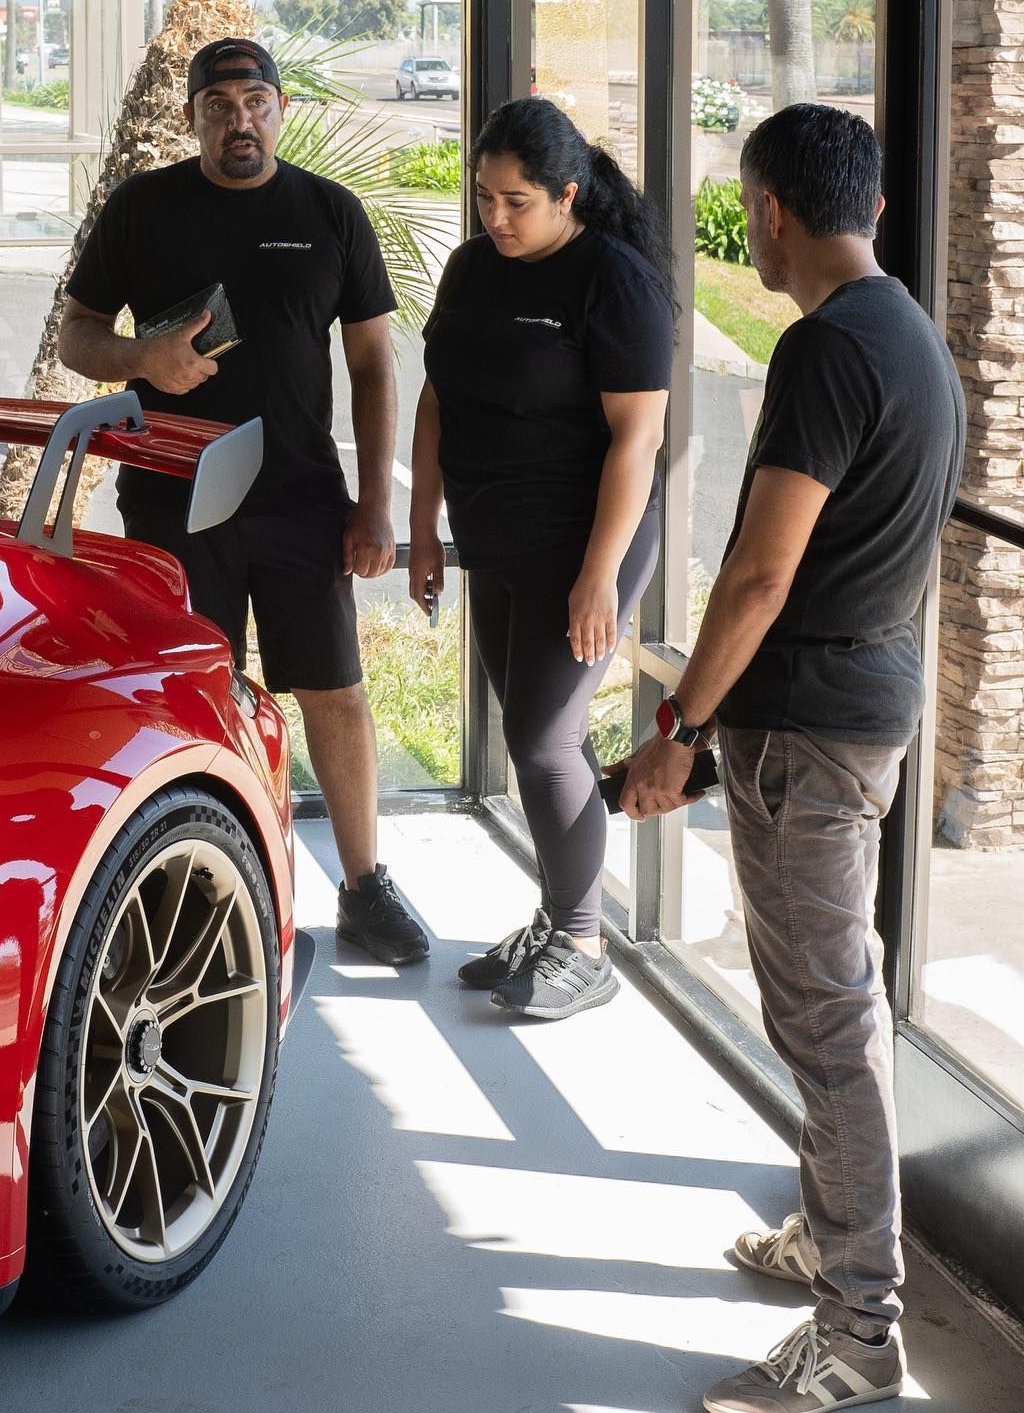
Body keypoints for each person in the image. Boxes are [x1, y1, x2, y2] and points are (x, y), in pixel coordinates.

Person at [616, 103, 964, 1413]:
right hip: (864, 706)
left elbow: (762, 573)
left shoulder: (827, 349)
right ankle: (831, 1238)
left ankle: (861, 1340)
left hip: (809, 731)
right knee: (827, 1003)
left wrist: (679, 732)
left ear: (768, 209)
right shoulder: (917, 339)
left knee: (826, 1022)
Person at [60, 37, 429, 967]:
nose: (240, 120)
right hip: (175, 502)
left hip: (306, 500)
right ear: (191, 118)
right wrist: (142, 360)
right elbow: (77, 335)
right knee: (195, 699)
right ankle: (206, 887)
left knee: (334, 693)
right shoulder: (144, 211)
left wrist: (374, 505)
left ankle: (364, 884)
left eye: (256, 100)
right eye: (218, 105)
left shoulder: (330, 213)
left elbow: (375, 364)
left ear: (281, 110)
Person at [409, 97, 673, 1019]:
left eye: (516, 201)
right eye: (484, 196)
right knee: (538, 736)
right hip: (496, 538)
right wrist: (426, 529)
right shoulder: (472, 268)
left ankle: (583, 944)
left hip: (587, 538)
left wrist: (599, 576)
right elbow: (437, 399)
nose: (494, 217)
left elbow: (638, 440)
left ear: (568, 194)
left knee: (542, 737)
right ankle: (559, 918)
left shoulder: (613, 281)